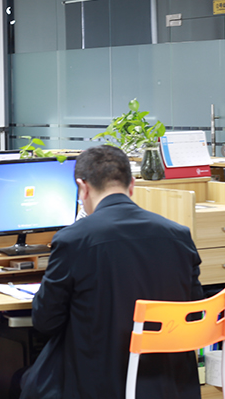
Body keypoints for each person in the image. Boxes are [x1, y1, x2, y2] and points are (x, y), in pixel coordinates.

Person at [21, 146, 203, 399]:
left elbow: (46, 321)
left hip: (101, 384)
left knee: (25, 379)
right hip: (172, 384)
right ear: (132, 185)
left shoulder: (73, 239)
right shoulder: (179, 235)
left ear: (82, 187)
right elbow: (194, 313)